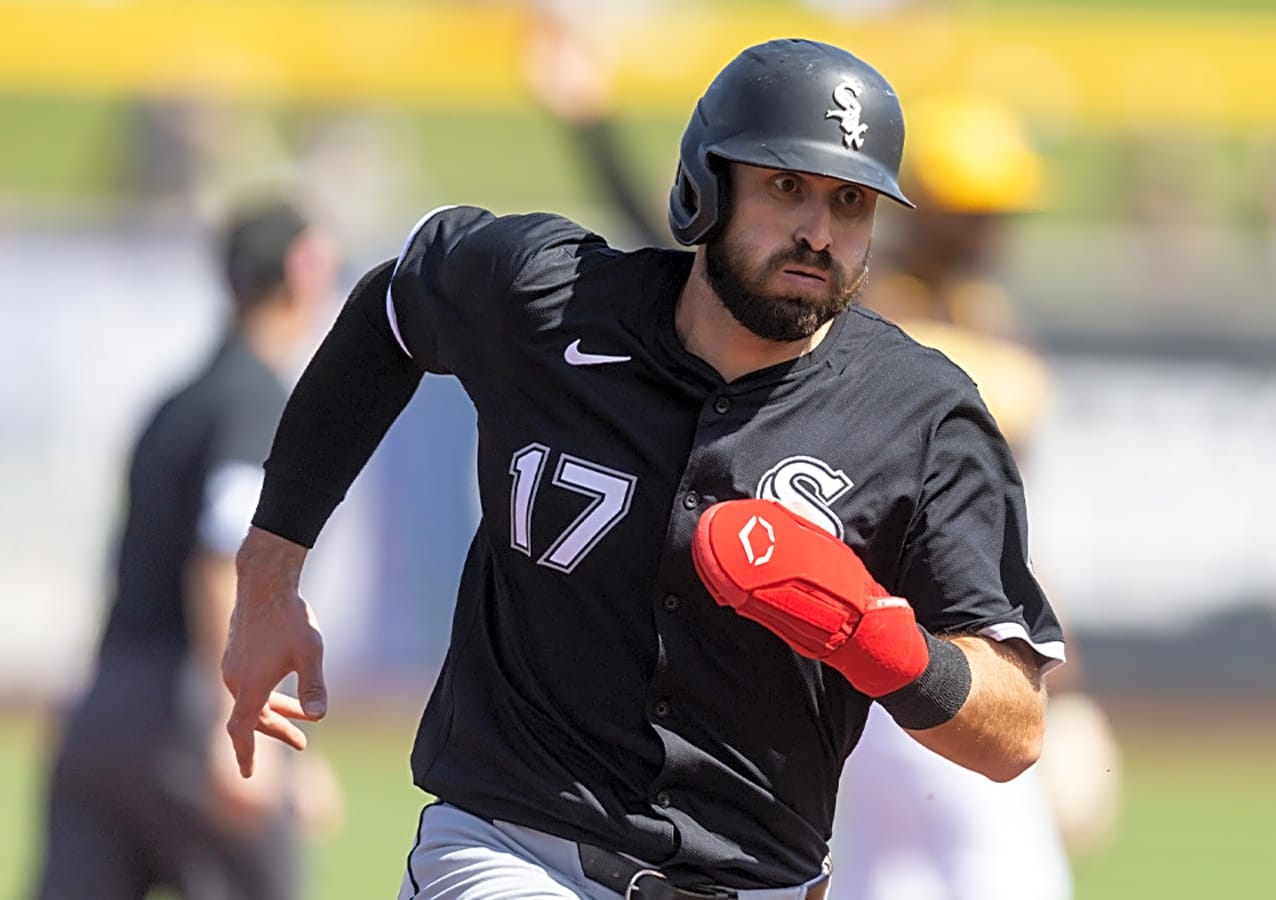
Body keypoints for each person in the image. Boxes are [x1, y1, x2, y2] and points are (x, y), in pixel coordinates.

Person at [222, 38, 1065, 900]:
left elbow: (1014, 728)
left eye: (851, 202)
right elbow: (393, 309)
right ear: (704, 186)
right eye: (787, 188)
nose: (819, 230)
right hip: (512, 854)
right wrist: (269, 569)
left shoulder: (922, 414)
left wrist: (877, 640)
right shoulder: (550, 297)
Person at [831, 93, 1120, 900]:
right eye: (978, 210)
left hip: (919, 644)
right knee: (1014, 877)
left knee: (892, 878)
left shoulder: (979, 317)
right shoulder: (866, 315)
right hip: (906, 640)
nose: (997, 230)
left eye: (1001, 211)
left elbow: (1003, 530)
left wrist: (1064, 667)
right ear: (931, 210)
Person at [33, 198, 344, 900]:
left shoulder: (178, 401)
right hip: (182, 714)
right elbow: (223, 559)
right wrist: (239, 720)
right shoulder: (254, 399)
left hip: (101, 716)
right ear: (304, 271)